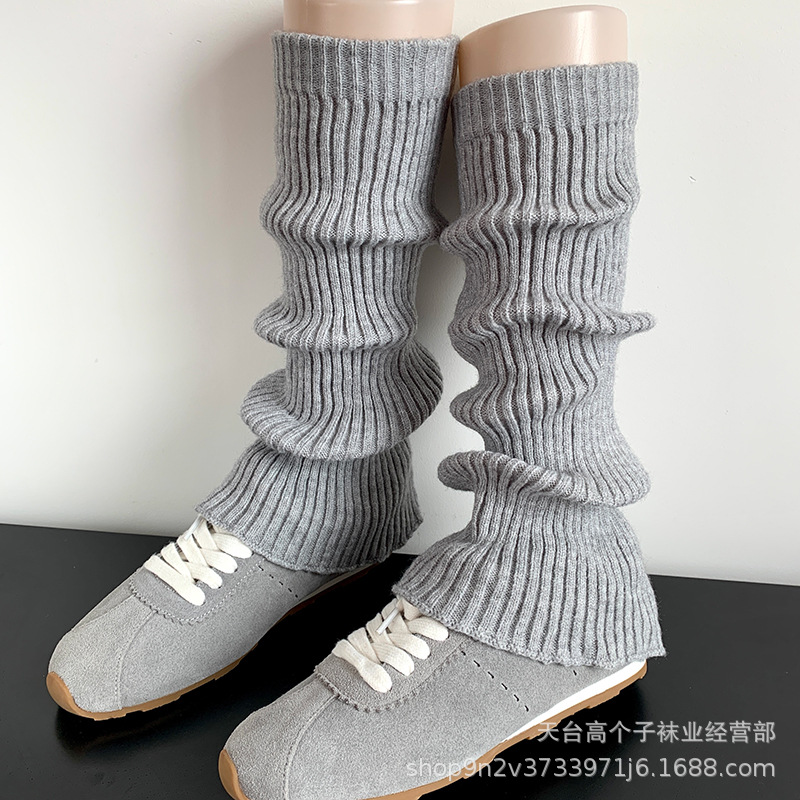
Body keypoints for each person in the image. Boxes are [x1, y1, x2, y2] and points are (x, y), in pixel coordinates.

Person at [47, 3, 665, 797]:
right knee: (342, 202)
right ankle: (334, 478)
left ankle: (560, 569)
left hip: (557, 551)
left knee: (544, 301)